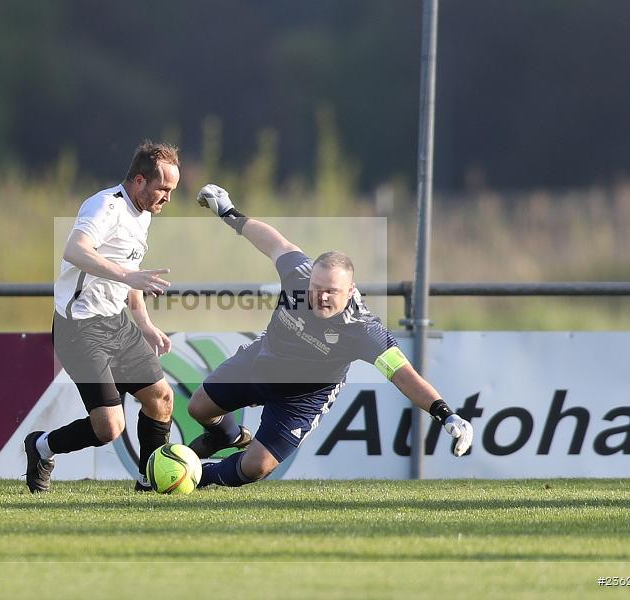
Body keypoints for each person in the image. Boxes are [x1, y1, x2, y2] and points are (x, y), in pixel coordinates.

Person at [187, 184, 473, 487]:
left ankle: (195, 478)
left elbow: (404, 375)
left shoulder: (362, 329)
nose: (320, 297)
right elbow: (276, 243)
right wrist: (230, 214)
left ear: (351, 291)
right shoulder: (298, 276)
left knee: (256, 467)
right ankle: (229, 436)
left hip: (302, 398)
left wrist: (446, 415)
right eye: (316, 288)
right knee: (198, 407)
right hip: (263, 362)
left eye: (331, 292)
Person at [24, 141, 179, 493]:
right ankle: (41, 447)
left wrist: (146, 325)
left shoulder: (143, 215)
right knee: (109, 427)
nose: (168, 197)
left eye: (172, 190)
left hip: (117, 323)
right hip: (79, 326)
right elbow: (75, 250)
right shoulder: (105, 206)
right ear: (139, 181)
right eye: (163, 188)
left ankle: (149, 483)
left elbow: (131, 274)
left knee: (161, 399)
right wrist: (127, 276)